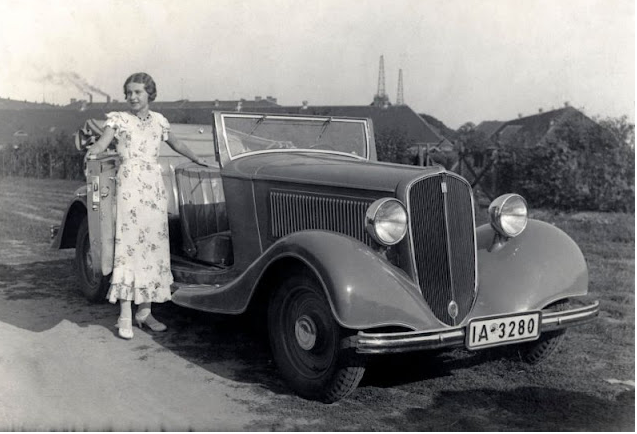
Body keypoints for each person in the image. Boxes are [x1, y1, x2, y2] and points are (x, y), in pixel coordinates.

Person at [86, 72, 210, 340]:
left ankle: (145, 312)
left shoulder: (159, 122)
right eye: (129, 92)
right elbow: (103, 142)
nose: (132, 97)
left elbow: (176, 143)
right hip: (130, 187)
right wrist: (93, 151)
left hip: (153, 189)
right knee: (130, 248)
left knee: (151, 248)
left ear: (149, 95)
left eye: (138, 92)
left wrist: (198, 158)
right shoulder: (119, 120)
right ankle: (125, 315)